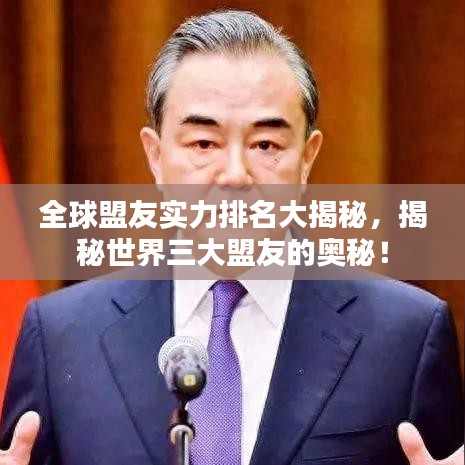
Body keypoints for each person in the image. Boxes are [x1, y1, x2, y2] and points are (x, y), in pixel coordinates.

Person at [0, 9, 463, 465]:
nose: (236, 174)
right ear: (156, 156)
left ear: (307, 158)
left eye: (266, 145)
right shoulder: (61, 336)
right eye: (204, 143)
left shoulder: (406, 335)